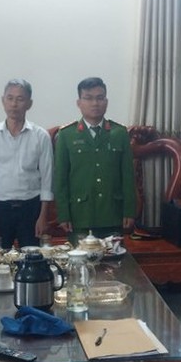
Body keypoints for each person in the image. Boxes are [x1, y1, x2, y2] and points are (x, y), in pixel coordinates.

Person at [53, 77, 136, 242]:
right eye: (88, 98)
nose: (95, 103)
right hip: (80, 216)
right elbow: (60, 179)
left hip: (112, 213)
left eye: (100, 97)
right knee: (80, 265)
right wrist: (63, 214)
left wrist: (129, 211)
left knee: (115, 264)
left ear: (106, 101)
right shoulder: (66, 135)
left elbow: (127, 176)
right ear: (79, 102)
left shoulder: (119, 133)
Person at [0, 78, 53, 249]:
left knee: (33, 260)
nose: (14, 104)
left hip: (31, 208)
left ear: (29, 103)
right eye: (9, 98)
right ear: (3, 101)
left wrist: (43, 217)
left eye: (20, 99)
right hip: (0, 209)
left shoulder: (41, 136)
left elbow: (47, 179)